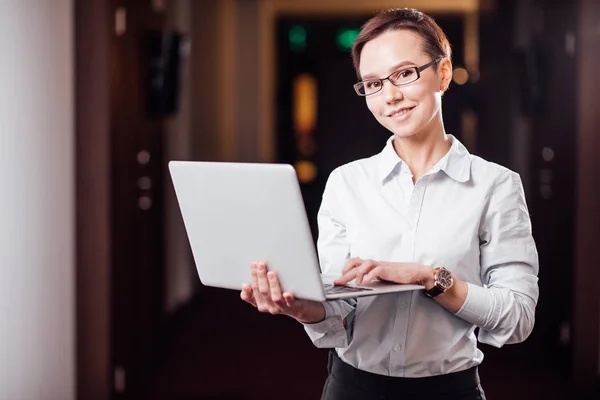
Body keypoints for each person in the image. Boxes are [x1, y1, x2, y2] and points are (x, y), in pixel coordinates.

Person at [240, 7, 539, 400]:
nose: (391, 96)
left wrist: (430, 279)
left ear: (443, 73)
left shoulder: (496, 186)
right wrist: (299, 307)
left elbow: (517, 318)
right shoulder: (346, 183)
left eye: (404, 74)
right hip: (352, 388)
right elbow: (336, 312)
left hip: (450, 390)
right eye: (373, 83)